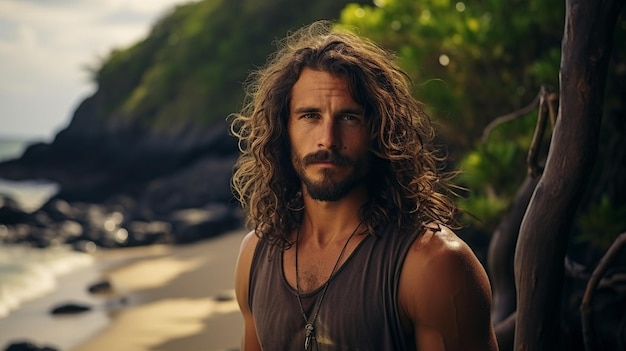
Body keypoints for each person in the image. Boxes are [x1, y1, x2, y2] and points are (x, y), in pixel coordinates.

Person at [230, 21, 498, 351]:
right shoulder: (254, 255)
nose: (327, 139)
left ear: (378, 129)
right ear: (283, 129)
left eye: (348, 117)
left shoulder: (433, 264)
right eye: (310, 116)